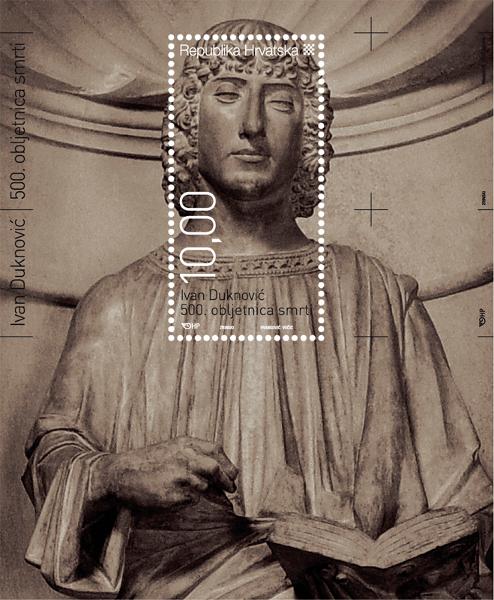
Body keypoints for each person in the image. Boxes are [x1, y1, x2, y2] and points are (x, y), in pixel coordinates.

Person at [23, 20, 492, 599]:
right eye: (226, 94)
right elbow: (54, 453)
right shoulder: (123, 301)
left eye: (280, 102)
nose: (252, 124)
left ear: (308, 133)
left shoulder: (379, 297)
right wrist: (113, 474)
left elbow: (467, 501)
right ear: (188, 125)